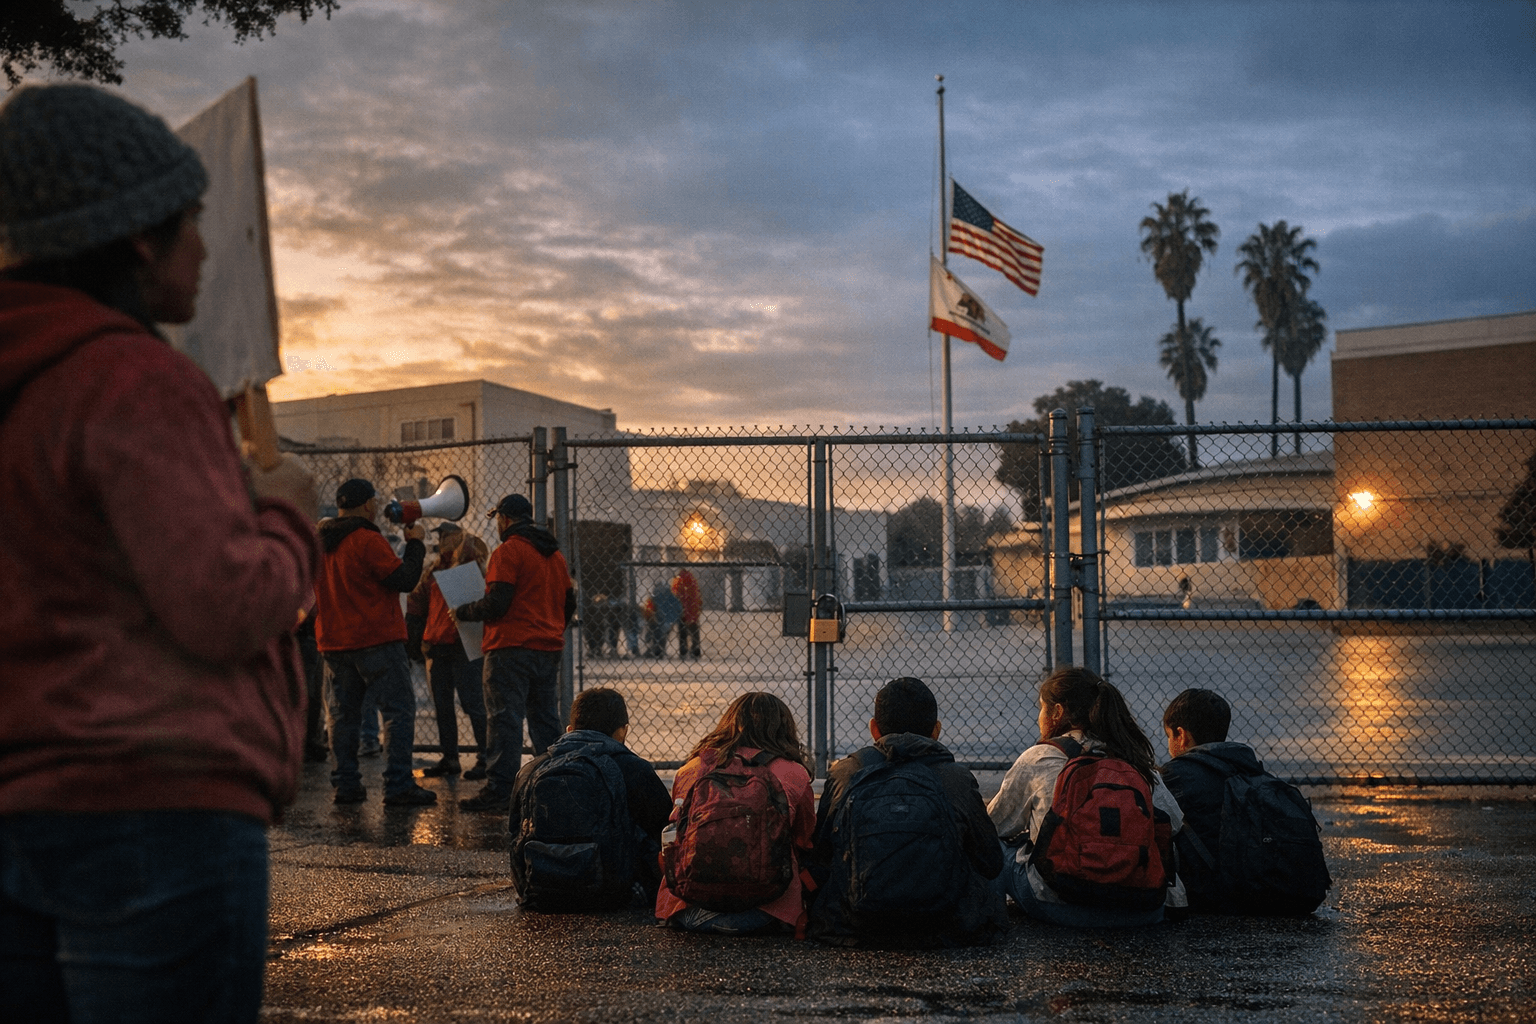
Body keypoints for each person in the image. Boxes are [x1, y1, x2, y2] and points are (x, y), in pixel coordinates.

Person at [0, 83, 320, 1023]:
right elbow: (224, 603)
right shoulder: (135, 378)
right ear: (141, 237)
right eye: (194, 220)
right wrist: (286, 515)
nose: (207, 248)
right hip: (157, 807)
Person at [808, 678, 1007, 948]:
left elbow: (821, 854)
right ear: (936, 731)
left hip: (853, 925)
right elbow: (990, 861)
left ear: (874, 729)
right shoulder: (956, 778)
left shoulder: (845, 773)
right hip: (946, 926)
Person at [988, 667, 1187, 927]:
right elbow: (1174, 824)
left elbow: (993, 825)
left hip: (1060, 905)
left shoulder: (1039, 758)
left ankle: (990, 924)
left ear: (1057, 712)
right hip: (1142, 907)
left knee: (996, 846)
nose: (1040, 717)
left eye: (1042, 708)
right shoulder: (1134, 760)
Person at [314, 478, 435, 807]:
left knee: (341, 716)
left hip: (334, 642)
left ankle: (346, 785)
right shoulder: (366, 539)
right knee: (397, 711)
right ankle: (398, 785)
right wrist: (416, 544)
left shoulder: (320, 544)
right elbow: (404, 579)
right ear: (367, 504)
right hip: (377, 638)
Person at [656, 693, 816, 935]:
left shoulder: (692, 769)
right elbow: (805, 839)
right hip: (765, 911)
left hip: (688, 908)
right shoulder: (794, 773)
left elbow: (675, 832)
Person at [1161, 688, 1331, 916]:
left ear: (1181, 735)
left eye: (1169, 736)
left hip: (1209, 899)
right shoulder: (1249, 769)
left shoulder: (1174, 776)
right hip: (1262, 890)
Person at [454, 494, 575, 812]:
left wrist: (464, 611)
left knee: (504, 720)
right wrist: (550, 627)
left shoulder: (508, 551)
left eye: (498, 518)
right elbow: (569, 602)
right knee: (544, 720)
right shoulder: (554, 556)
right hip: (546, 648)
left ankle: (500, 790)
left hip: (509, 649)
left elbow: (498, 602)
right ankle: (554, 783)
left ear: (504, 519)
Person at [508, 687, 671, 911]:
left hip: (538, 891)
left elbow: (514, 832)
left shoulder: (531, 769)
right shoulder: (634, 769)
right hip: (614, 894)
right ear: (623, 731)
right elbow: (664, 830)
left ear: (570, 730)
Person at [419, 531, 489, 780]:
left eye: (446, 537)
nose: (442, 542)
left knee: (473, 702)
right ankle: (451, 758)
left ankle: (485, 757)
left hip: (462, 644)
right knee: (443, 705)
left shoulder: (471, 564)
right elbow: (419, 600)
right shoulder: (435, 570)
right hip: (438, 643)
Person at [642, 579, 681, 658]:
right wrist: (674, 620)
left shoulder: (655, 596)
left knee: (656, 635)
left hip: (658, 621)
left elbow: (649, 608)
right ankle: (660, 651)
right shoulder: (671, 596)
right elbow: (678, 608)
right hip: (669, 621)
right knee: (663, 636)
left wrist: (650, 618)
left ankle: (656, 651)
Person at [671, 568, 702, 659]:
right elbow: (697, 595)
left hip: (682, 609)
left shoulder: (677, 580)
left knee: (682, 630)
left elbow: (675, 594)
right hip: (693, 609)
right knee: (694, 629)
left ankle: (683, 650)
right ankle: (696, 649)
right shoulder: (692, 580)